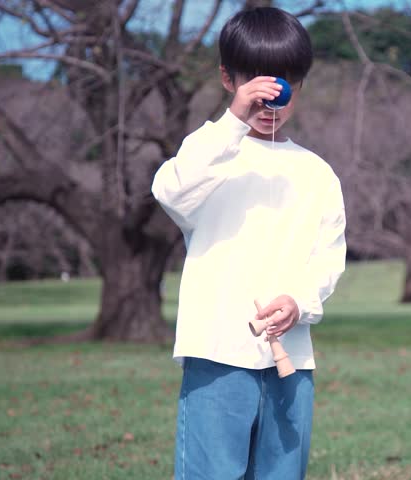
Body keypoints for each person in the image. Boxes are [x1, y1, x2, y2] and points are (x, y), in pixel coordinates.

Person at [150, 7, 347, 480]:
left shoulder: (316, 173)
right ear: (227, 78)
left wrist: (299, 303)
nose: (270, 102)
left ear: (299, 86)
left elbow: (328, 259)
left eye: (285, 88)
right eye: (256, 88)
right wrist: (233, 120)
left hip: (291, 360)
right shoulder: (209, 153)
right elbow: (170, 192)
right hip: (217, 354)